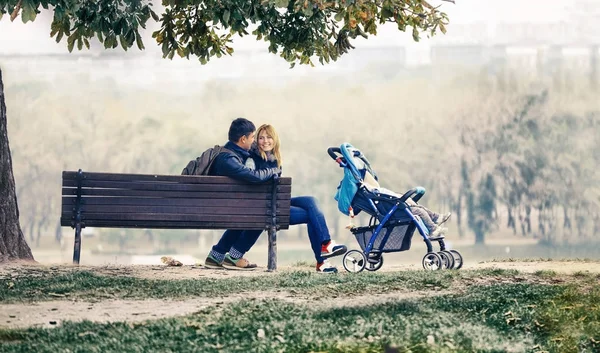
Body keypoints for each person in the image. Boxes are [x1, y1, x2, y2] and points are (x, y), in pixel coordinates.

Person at [226, 124, 348, 273]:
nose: (265, 141)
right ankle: (322, 261)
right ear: (256, 140)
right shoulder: (252, 159)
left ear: (275, 139)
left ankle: (327, 245)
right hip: (266, 208)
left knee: (311, 201)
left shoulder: (275, 159)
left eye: (269, 137)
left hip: (275, 202)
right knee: (312, 216)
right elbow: (252, 182)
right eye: (261, 137)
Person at [203, 118, 280, 271]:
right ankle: (233, 256)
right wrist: (273, 170)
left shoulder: (230, 154)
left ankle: (216, 255)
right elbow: (254, 176)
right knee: (261, 214)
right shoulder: (228, 159)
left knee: (251, 211)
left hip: (221, 205)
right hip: (217, 209)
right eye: (253, 138)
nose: (254, 142)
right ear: (243, 139)